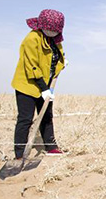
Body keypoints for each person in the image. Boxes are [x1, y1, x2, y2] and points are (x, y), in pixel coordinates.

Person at [11, 9, 67, 161]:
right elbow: (32, 66)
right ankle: (19, 154)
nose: (51, 32)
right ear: (42, 25)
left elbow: (58, 56)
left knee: (47, 116)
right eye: (49, 29)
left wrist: (62, 63)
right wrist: (43, 89)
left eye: (54, 30)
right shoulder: (32, 39)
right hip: (28, 85)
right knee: (25, 119)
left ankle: (51, 147)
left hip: (46, 85)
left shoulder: (55, 40)